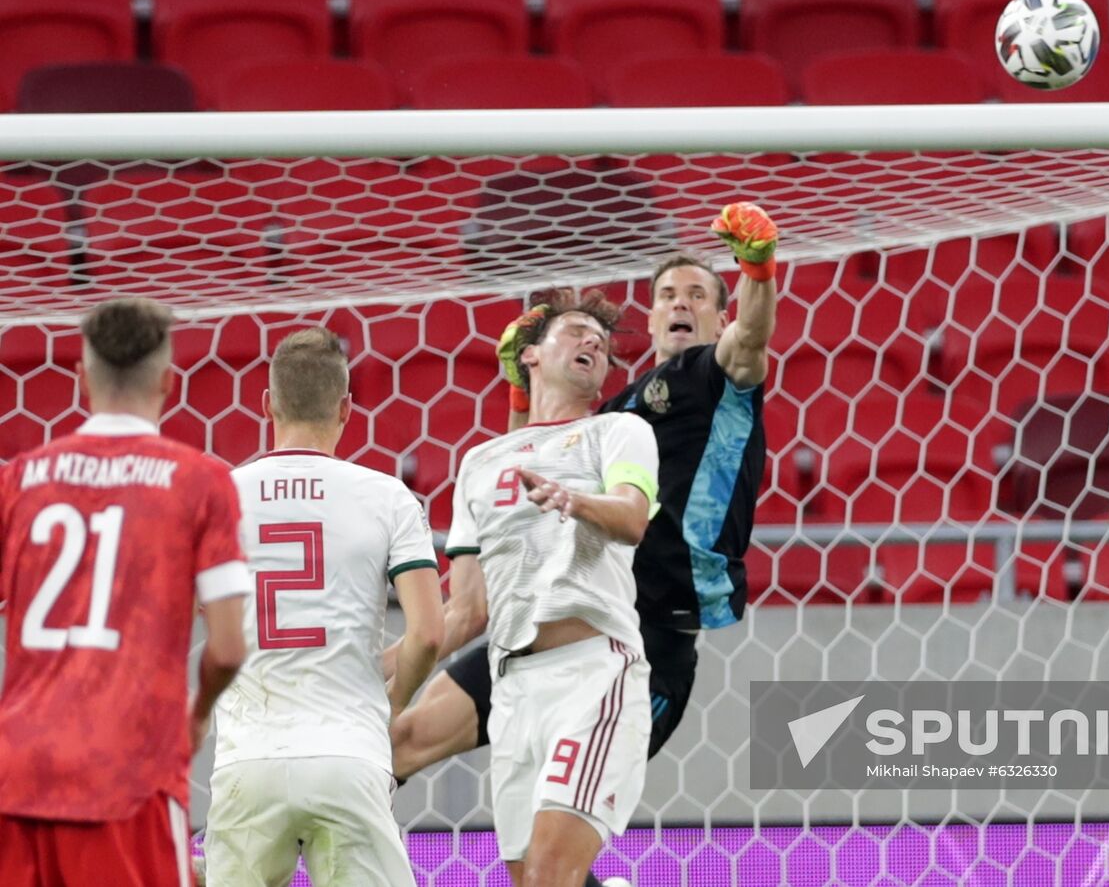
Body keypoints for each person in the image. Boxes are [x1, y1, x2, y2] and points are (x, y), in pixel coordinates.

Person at [392, 203, 777, 803]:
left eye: (698, 295)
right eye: (668, 294)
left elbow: (751, 341)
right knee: (404, 741)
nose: (681, 303)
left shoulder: (716, 375)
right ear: (648, 320)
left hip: (648, 640)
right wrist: (524, 391)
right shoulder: (616, 415)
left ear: (721, 316)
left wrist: (758, 271)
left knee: (553, 828)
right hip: (554, 621)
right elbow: (535, 465)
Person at [0, 298, 250, 887]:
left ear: (82, 376)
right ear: (169, 379)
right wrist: (196, 716)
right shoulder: (201, 480)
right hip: (126, 769)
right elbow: (229, 647)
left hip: (19, 770)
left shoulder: (20, 478)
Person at [428, 289, 658, 886]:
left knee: (548, 875)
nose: (593, 344)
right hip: (511, 691)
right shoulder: (480, 463)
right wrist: (372, 668)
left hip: (592, 675)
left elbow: (633, 518)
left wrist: (574, 500)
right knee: (532, 878)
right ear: (529, 356)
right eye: (577, 331)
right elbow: (466, 611)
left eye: (602, 344)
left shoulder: (620, 431)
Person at [203, 328, 444, 886]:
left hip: (249, 761)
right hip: (348, 754)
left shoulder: (220, 496)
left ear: (266, 403)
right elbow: (428, 632)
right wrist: (393, 704)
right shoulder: (388, 497)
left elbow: (197, 612)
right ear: (346, 409)